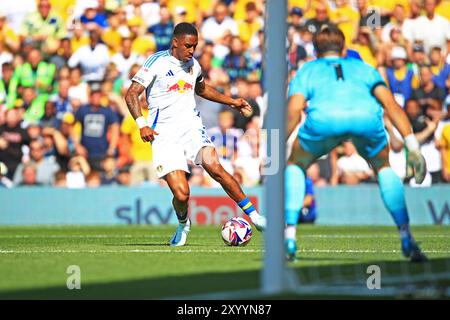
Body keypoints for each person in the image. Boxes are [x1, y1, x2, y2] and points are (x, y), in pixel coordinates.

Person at [285, 26, 428, 262]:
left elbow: (293, 109)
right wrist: (413, 146)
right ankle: (406, 236)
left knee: (296, 164)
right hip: (366, 120)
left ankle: (289, 237)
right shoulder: (364, 68)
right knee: (383, 166)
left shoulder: (307, 69)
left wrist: (274, 147)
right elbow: (391, 105)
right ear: (344, 48)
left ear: (316, 51)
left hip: (325, 121)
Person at [125, 22, 266, 246]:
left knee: (215, 167)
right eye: (188, 46)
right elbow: (132, 94)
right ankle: (183, 224)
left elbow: (201, 89)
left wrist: (232, 101)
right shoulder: (157, 62)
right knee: (182, 194)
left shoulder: (193, 64)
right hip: (164, 133)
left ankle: (256, 216)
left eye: (195, 46)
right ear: (175, 42)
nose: (192, 50)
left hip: (191, 126)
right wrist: (142, 124)